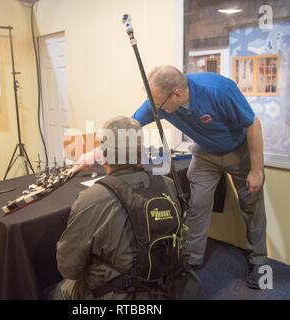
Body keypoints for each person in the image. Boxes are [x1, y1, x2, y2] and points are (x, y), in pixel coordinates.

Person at [74, 66, 267, 289]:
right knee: (197, 205)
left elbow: (253, 125)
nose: (155, 109)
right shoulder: (159, 100)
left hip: (238, 151)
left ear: (177, 94)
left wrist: (256, 170)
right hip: (205, 153)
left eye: (158, 105)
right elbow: (127, 130)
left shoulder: (218, 90)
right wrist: (95, 154)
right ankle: (189, 260)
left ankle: (259, 262)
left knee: (251, 206)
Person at [53, 116, 187, 299]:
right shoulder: (167, 184)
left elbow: (69, 268)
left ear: (104, 155)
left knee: (61, 289)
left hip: (120, 293)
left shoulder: (90, 199)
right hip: (166, 285)